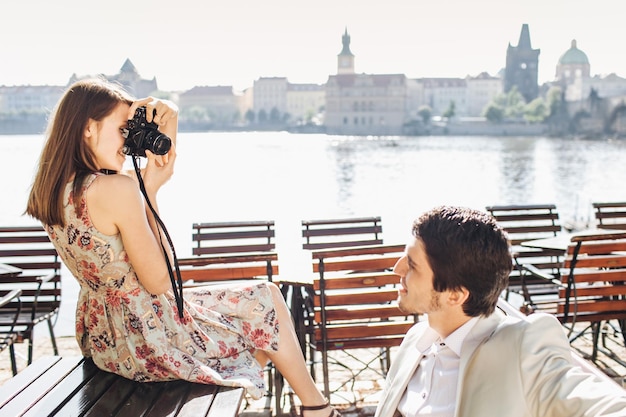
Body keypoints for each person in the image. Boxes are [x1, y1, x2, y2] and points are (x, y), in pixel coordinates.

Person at [25, 78, 339, 417]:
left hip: (104, 338)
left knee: (261, 306)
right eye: (122, 129)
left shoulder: (55, 190)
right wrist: (152, 192)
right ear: (89, 127)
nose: (128, 141)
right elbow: (160, 281)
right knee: (267, 301)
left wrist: (167, 117)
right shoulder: (115, 189)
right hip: (148, 340)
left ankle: (309, 406)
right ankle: (317, 409)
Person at [375, 205, 626, 417]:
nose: (397, 269)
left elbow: (600, 404)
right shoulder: (416, 340)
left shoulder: (521, 347)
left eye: (413, 265)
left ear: (455, 294)